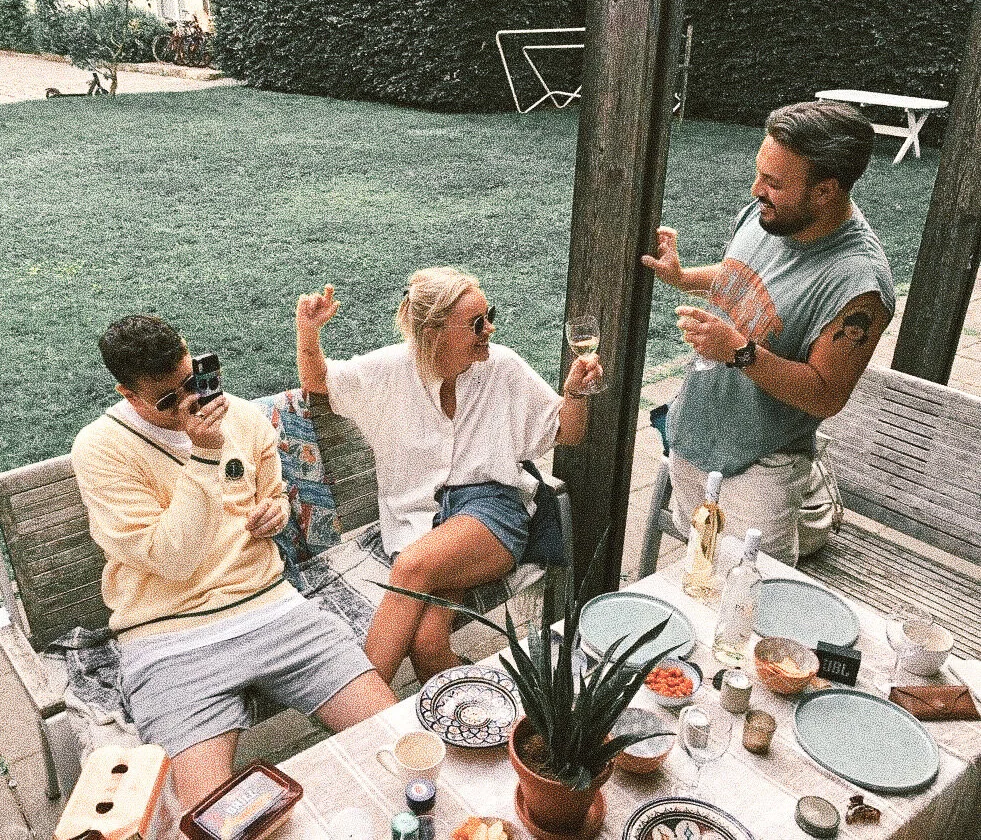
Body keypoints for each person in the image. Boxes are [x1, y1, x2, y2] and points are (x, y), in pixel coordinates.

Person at [71, 314, 396, 809]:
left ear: (191, 354)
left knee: (396, 738)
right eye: (167, 400)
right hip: (170, 637)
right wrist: (204, 455)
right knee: (208, 815)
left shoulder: (243, 417)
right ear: (127, 394)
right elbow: (170, 558)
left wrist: (276, 512)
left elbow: (271, 494)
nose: (189, 404)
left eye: (192, 382)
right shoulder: (100, 449)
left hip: (272, 608)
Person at [295, 267, 603, 685]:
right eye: (476, 323)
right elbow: (318, 380)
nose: (489, 329)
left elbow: (567, 431)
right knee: (427, 646)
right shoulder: (392, 369)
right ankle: (487, 707)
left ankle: (365, 711)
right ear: (435, 332)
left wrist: (575, 393)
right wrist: (308, 331)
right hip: (418, 521)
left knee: (410, 569)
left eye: (489, 316)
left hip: (490, 509)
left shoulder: (502, 367)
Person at [641, 100, 894, 565]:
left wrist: (740, 352)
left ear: (825, 191)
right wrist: (683, 276)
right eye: (760, 174)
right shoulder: (769, 215)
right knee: (699, 564)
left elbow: (825, 395)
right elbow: (745, 276)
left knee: (748, 589)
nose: (756, 189)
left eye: (773, 182)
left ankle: (816, 505)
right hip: (696, 432)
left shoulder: (859, 285)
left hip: (764, 465)